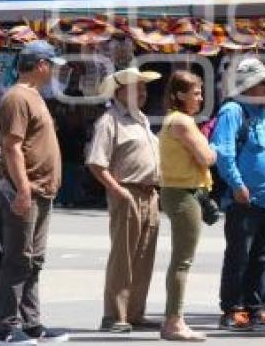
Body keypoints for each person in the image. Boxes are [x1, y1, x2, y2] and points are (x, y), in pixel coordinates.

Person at [0, 40, 68, 345]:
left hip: (42, 191)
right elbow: (11, 146)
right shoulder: (17, 97)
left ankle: (31, 322)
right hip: (26, 190)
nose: (54, 72)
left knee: (34, 260)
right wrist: (22, 189)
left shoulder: (35, 96)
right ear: (41, 65)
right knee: (17, 258)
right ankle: (7, 326)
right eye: (52, 66)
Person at [86, 67, 162, 334]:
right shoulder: (110, 120)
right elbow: (96, 163)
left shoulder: (141, 119)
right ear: (119, 92)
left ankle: (134, 313)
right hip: (127, 191)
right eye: (135, 87)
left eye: (143, 87)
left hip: (150, 193)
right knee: (123, 257)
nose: (142, 92)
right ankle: (114, 316)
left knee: (144, 257)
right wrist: (117, 190)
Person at [212, 57, 265, 331]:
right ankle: (234, 308)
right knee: (239, 256)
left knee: (263, 256)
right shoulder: (233, 111)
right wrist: (237, 184)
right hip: (245, 197)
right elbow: (224, 152)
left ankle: (258, 307)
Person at [158, 70, 216, 341]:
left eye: (200, 92)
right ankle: (174, 322)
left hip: (185, 191)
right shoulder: (181, 121)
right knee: (182, 260)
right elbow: (206, 157)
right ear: (180, 95)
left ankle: (174, 320)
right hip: (182, 193)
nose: (200, 98)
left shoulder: (181, 120)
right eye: (195, 93)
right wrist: (213, 149)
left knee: (182, 259)